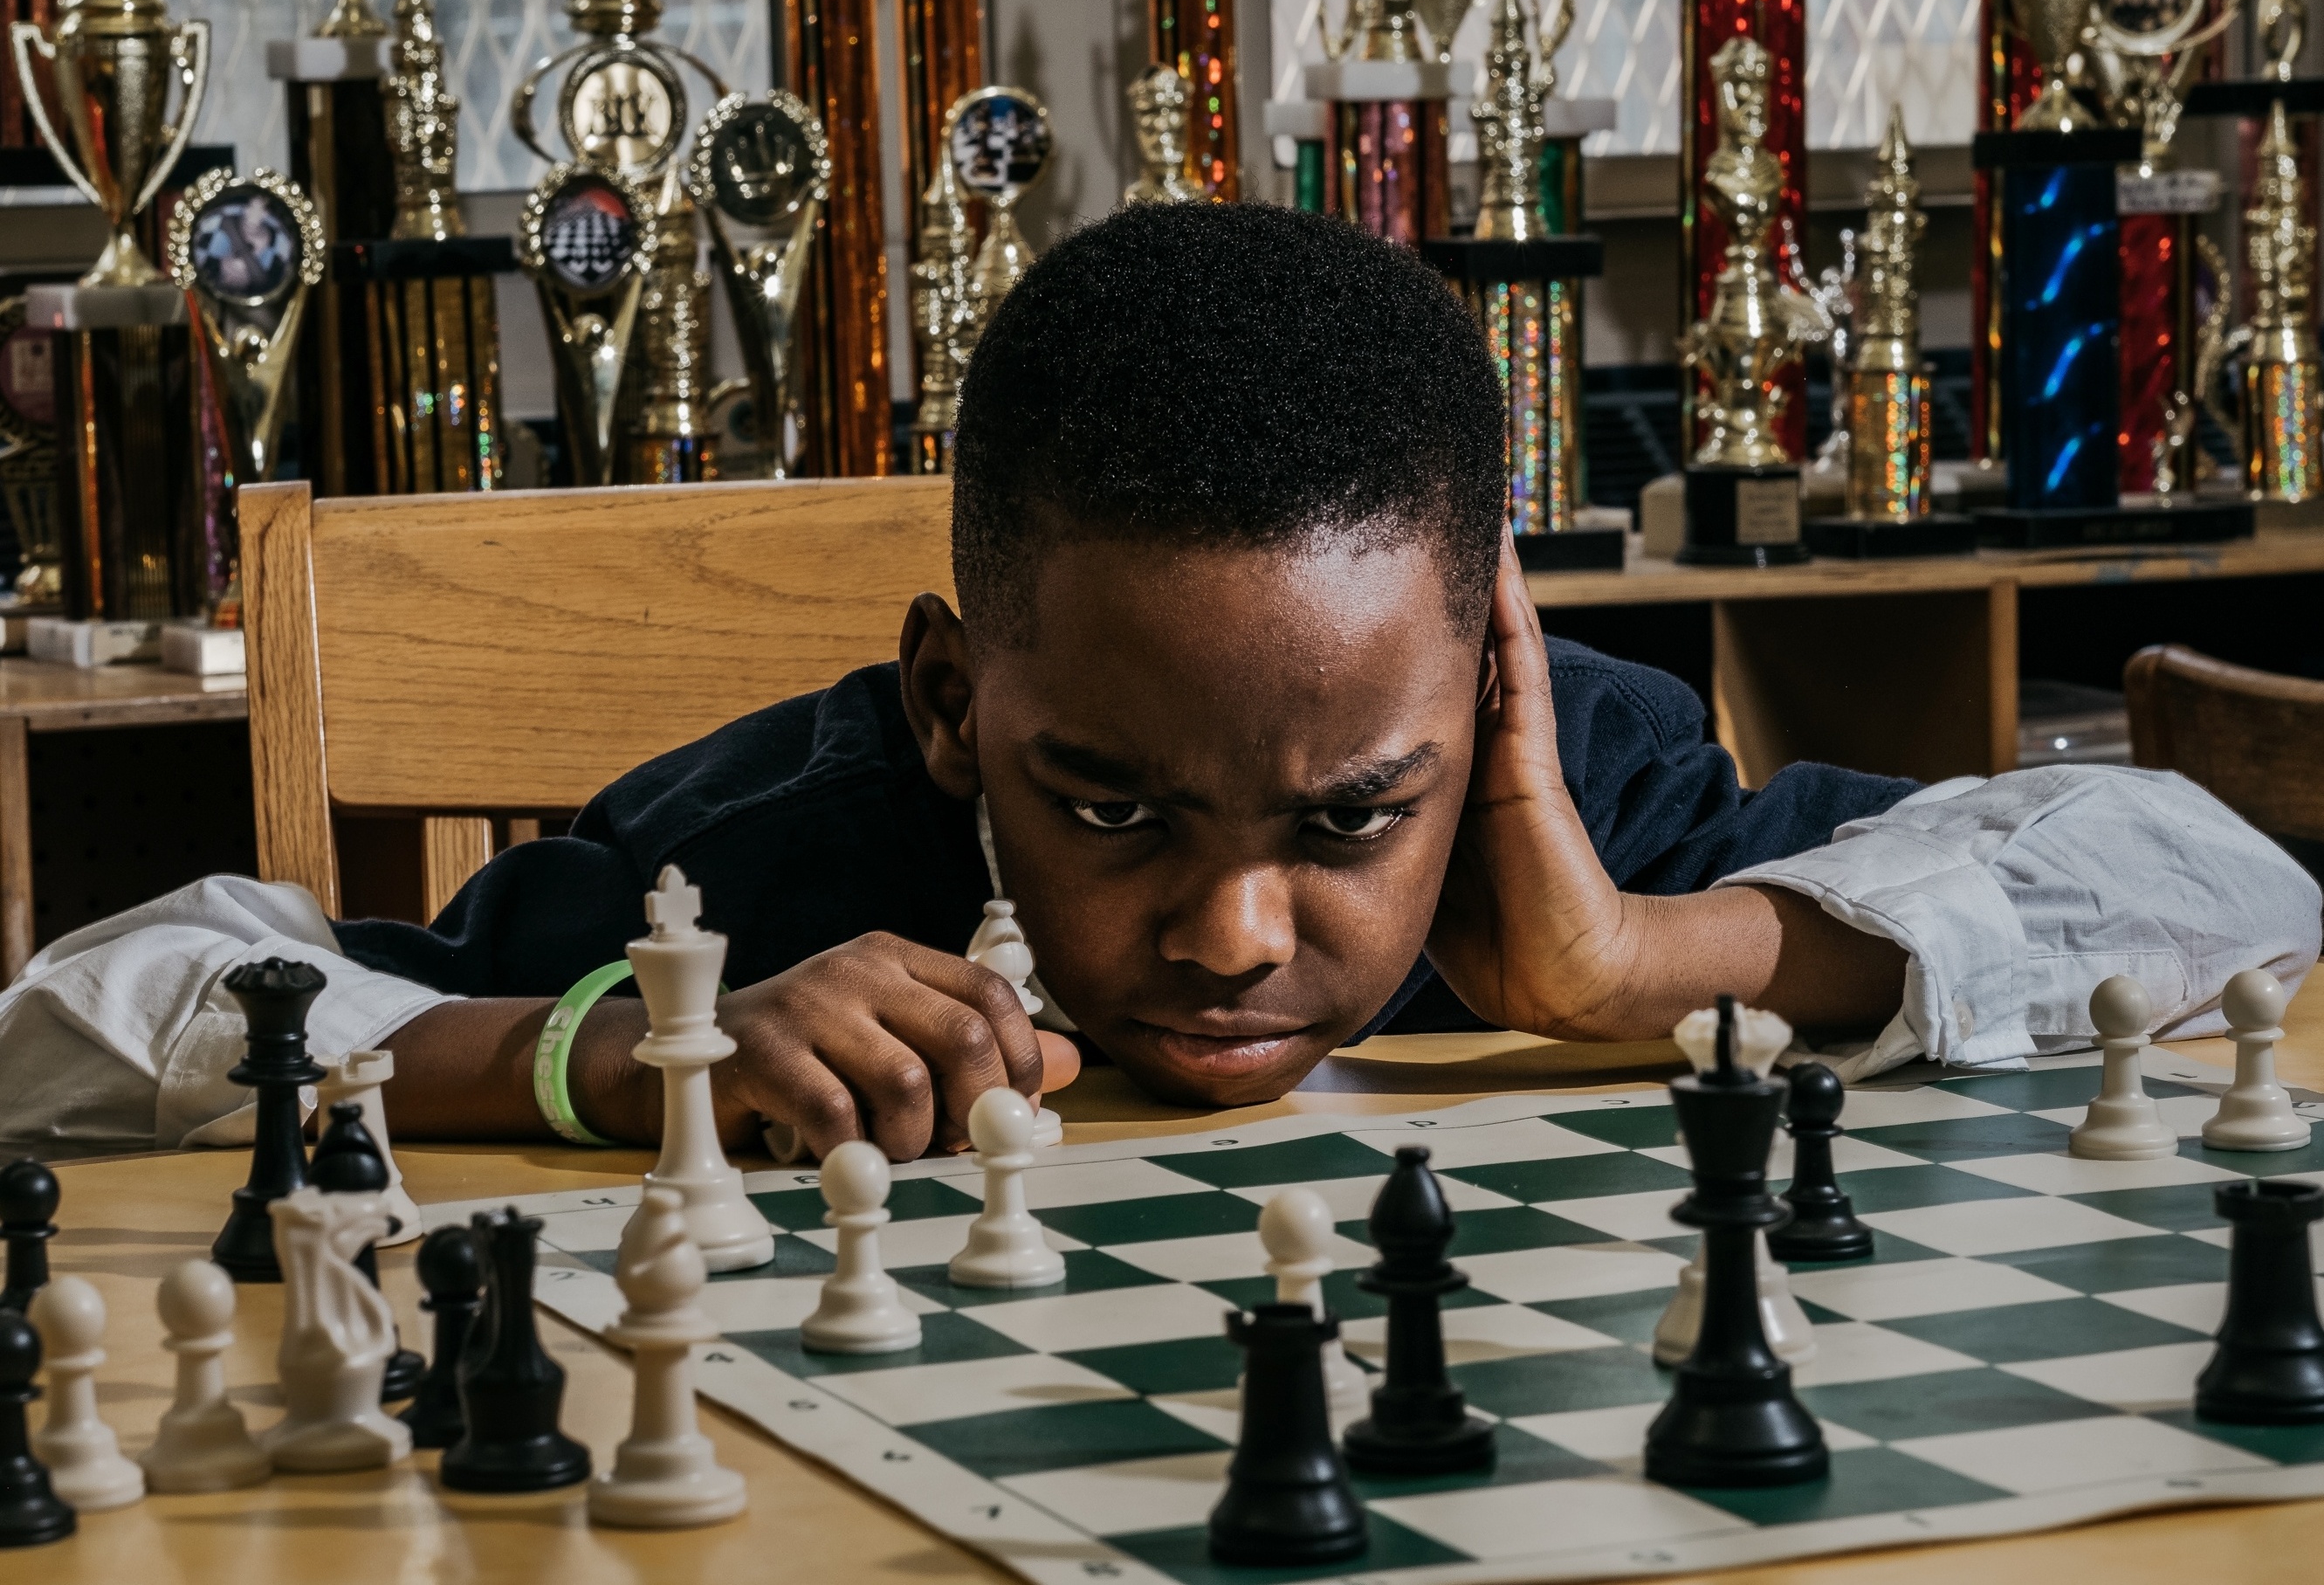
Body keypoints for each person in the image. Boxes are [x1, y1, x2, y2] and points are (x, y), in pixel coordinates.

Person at [1, 205, 2316, 1161]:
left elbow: (2228, 878)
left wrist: (1635, 950)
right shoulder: (782, 861)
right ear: (947, 706)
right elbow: (68, 1024)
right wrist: (597, 1046)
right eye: (1107, 805)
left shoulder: (1580, 798)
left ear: (1486, 694)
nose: (1228, 934)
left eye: (1345, 818)